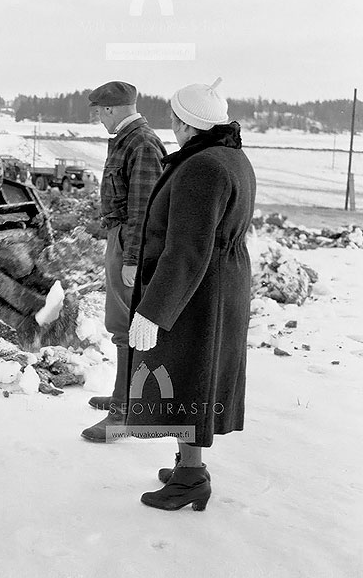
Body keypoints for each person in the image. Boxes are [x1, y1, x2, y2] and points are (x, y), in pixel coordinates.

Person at [125, 80, 255, 511]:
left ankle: (190, 479)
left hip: (197, 293)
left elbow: (187, 247)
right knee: (192, 380)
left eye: (174, 119)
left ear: (185, 122)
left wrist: (153, 311)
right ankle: (187, 463)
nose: (173, 127)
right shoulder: (230, 156)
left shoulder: (202, 168)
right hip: (218, 283)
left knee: (188, 381)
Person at [81, 81, 166, 442]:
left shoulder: (141, 143)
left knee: (126, 326)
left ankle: (124, 413)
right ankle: (123, 397)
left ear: (113, 109)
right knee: (120, 323)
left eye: (99, 112)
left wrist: (132, 258)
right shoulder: (128, 139)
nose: (98, 118)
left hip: (130, 243)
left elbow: (144, 210)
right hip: (119, 238)